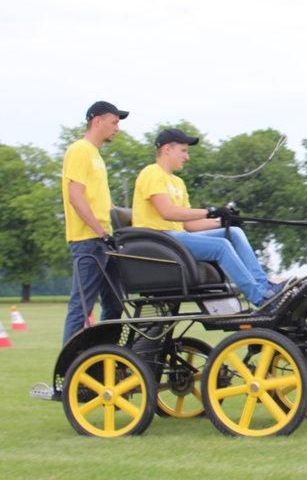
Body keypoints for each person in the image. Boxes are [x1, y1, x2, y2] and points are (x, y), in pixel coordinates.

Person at [131, 128, 289, 308]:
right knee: (220, 247)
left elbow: (189, 225)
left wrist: (222, 221)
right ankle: (261, 299)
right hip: (158, 241)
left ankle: (265, 287)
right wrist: (211, 211)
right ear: (167, 149)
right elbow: (167, 212)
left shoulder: (178, 183)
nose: (187, 157)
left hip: (176, 239)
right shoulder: (151, 173)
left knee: (234, 233)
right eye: (183, 151)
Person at [61, 101, 128, 346]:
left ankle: (103, 360)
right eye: (114, 122)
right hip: (88, 240)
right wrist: (99, 231)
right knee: (81, 305)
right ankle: (67, 373)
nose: (117, 128)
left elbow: (104, 203)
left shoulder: (96, 156)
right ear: (96, 120)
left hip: (105, 239)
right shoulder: (80, 150)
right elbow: (75, 196)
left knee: (115, 304)